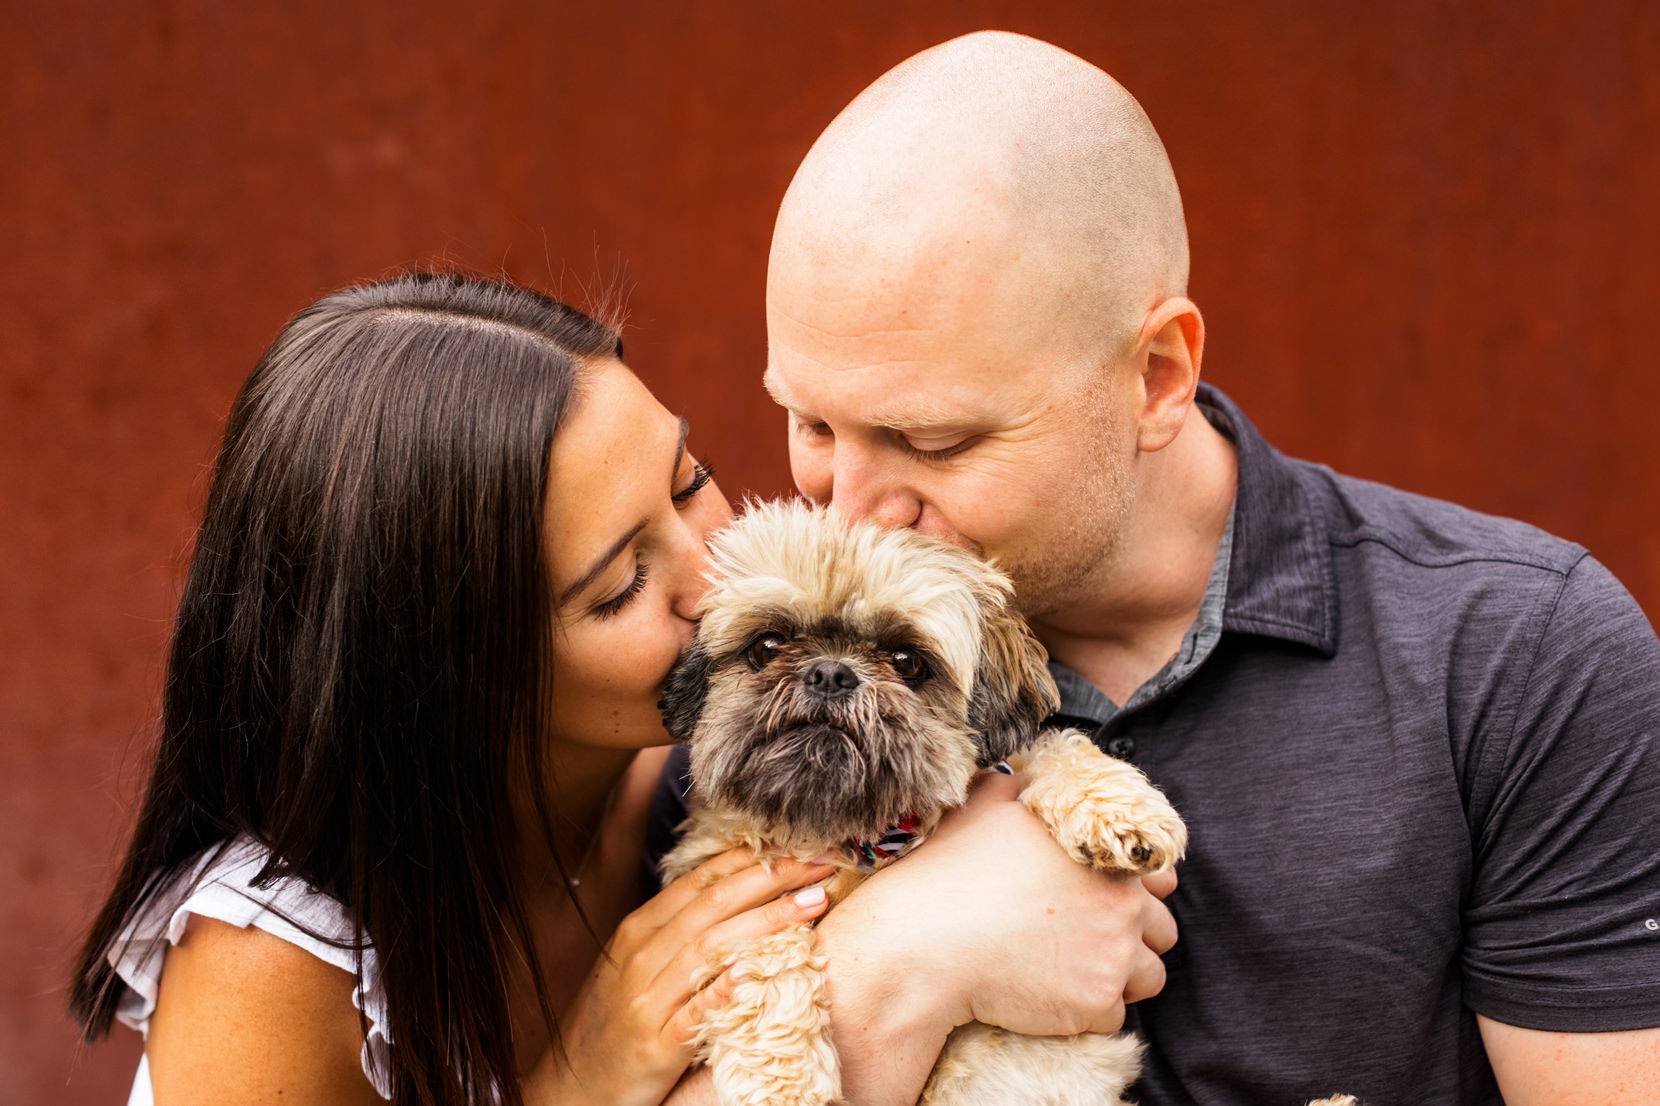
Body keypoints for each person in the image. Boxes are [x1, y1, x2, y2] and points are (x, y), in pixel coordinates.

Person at [732, 29, 1660, 1106]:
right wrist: (899, 965)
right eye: (806, 421)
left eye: (934, 441)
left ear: (1158, 376)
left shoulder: (1516, 656)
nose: (852, 509)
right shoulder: (761, 674)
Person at [68, 272, 849, 1106]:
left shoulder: (731, 773)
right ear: (450, 673)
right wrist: (581, 1082)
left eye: (690, 482)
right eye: (622, 584)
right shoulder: (269, 957)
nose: (718, 577)